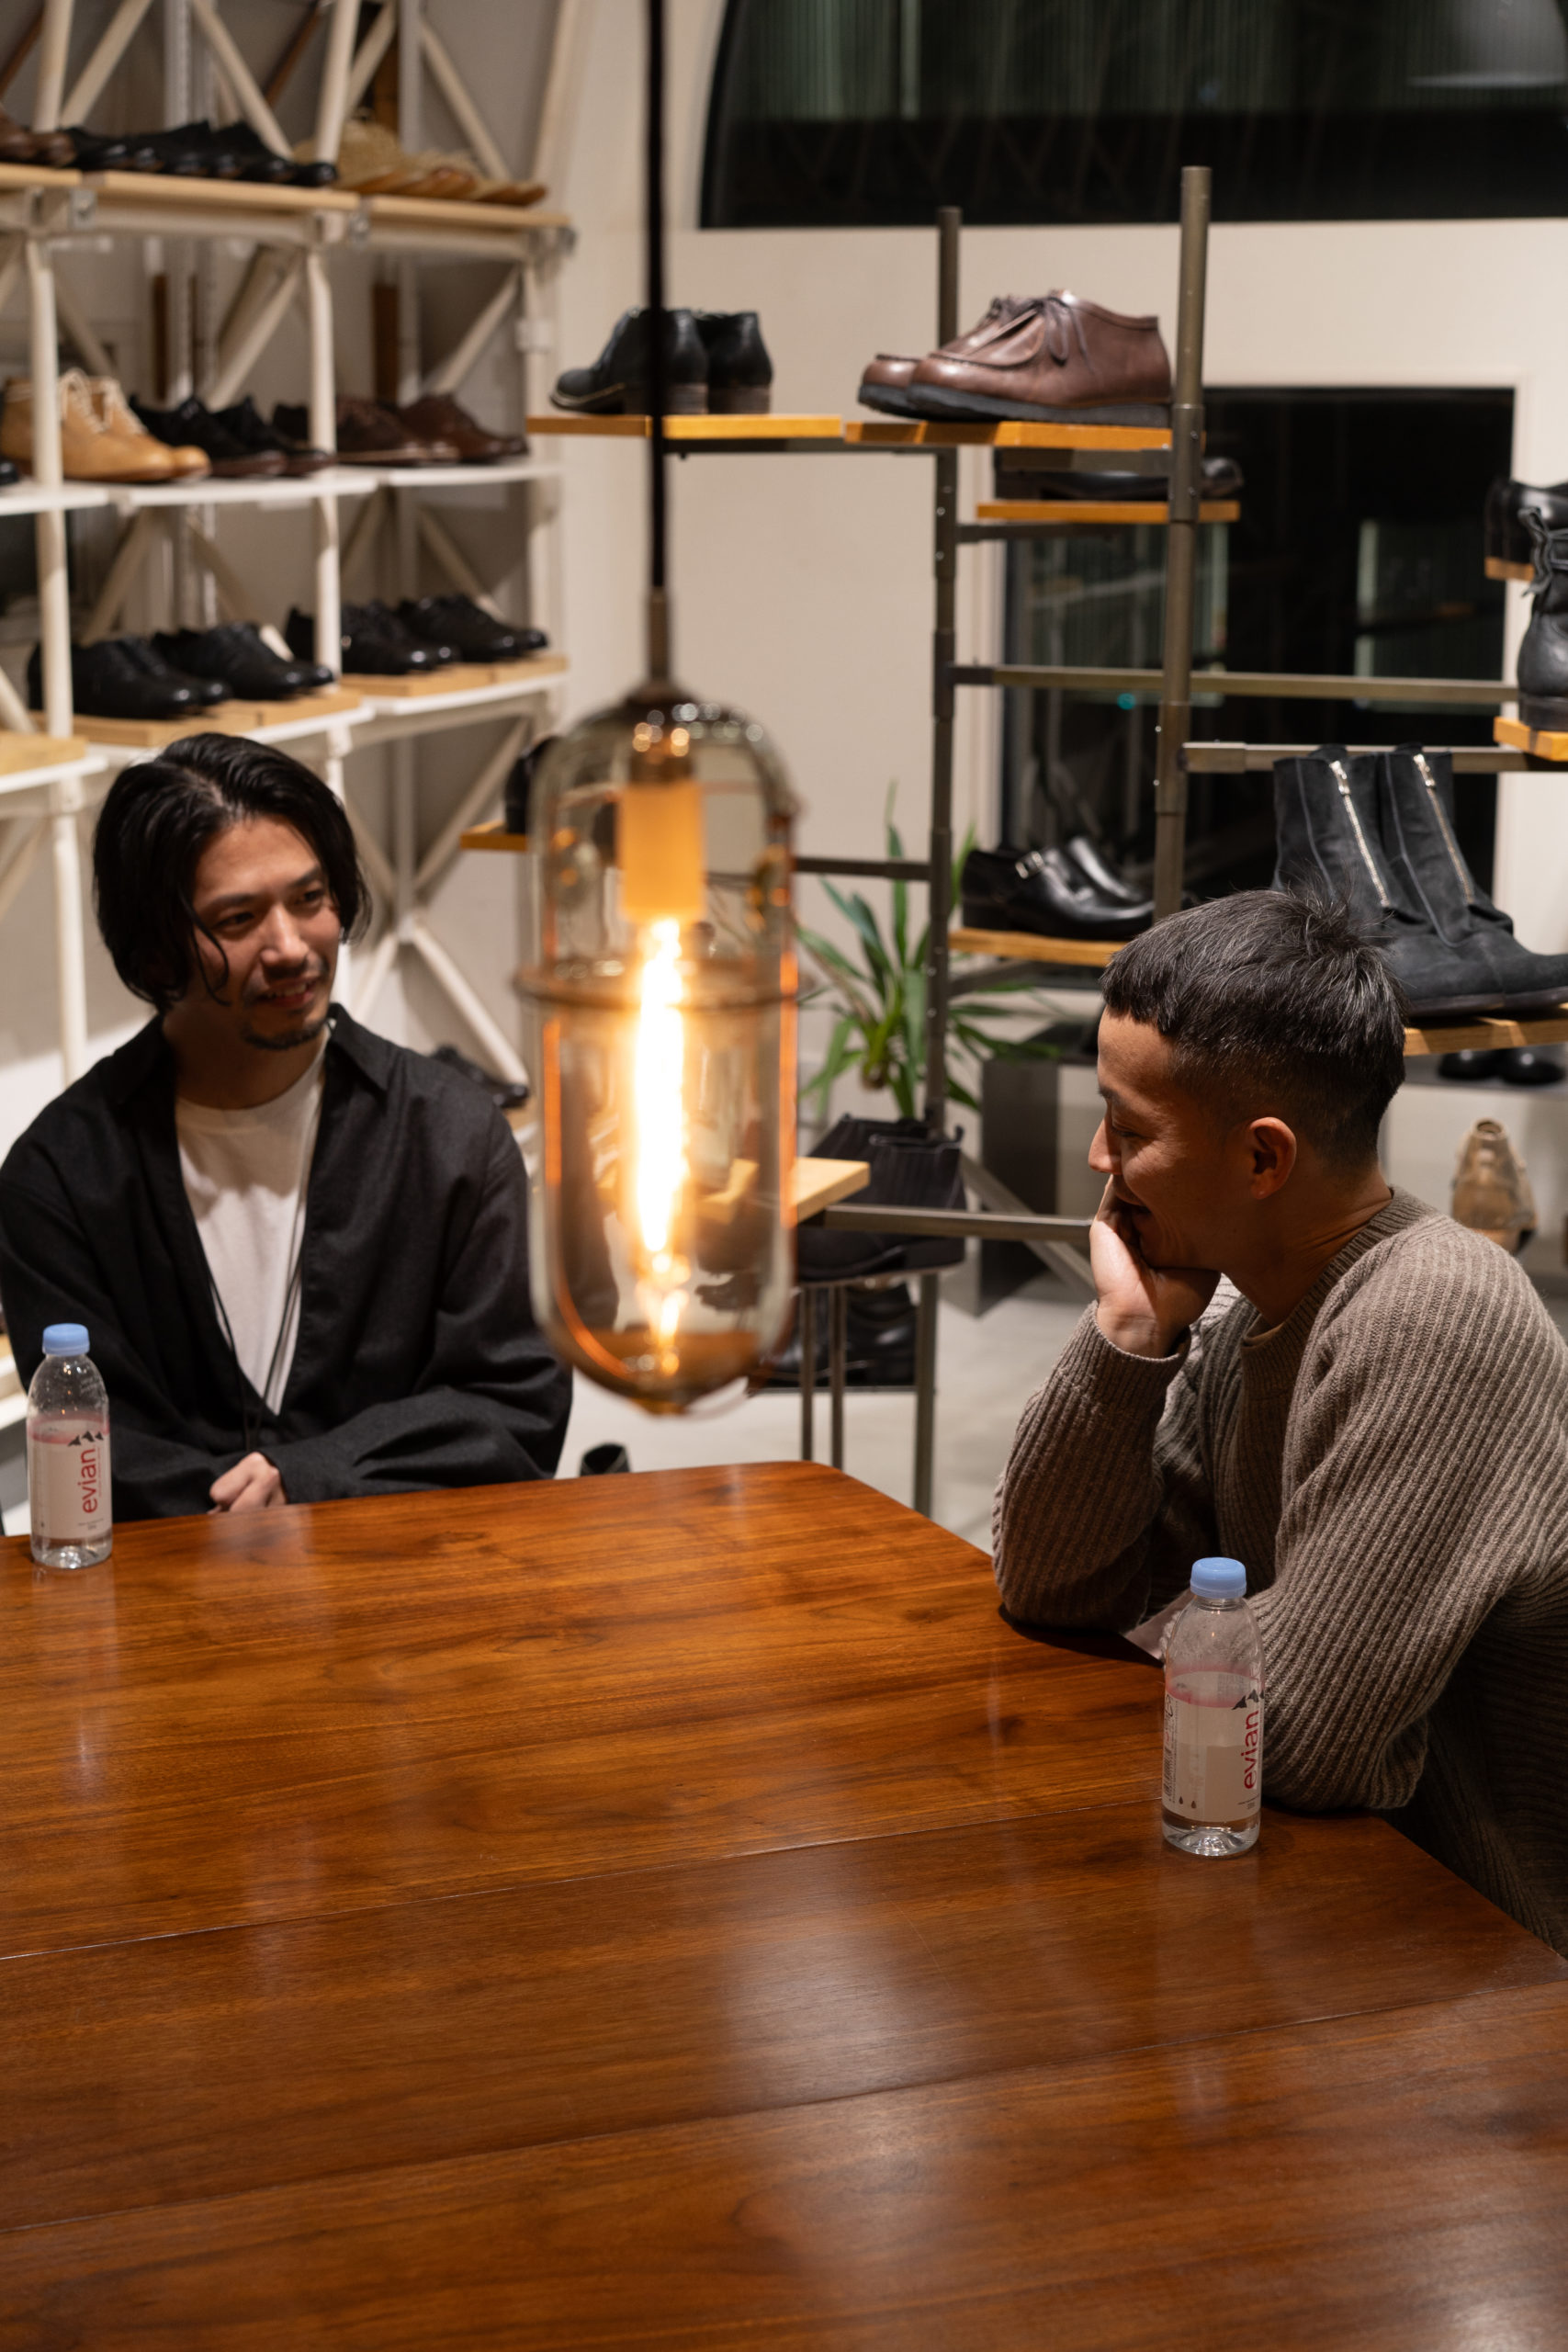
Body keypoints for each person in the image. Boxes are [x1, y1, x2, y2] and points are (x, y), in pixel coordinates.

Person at [993, 890, 1568, 1955]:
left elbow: (1296, 1735)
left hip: (1480, 1965)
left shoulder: (1435, 1314)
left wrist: (1189, 1638)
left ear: (1263, 1159)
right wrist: (1129, 1335)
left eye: (1129, 1129)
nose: (1099, 1161)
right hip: (1323, 1914)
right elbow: (1057, 1586)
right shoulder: (1244, 1305)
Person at [0, 733, 570, 1519]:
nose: (292, 948)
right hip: (167, 1588)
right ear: (157, 951)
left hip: (409, 1576)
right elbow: (89, 1446)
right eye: (238, 918)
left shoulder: (449, 1138)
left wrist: (308, 1477)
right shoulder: (61, 1178)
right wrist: (235, 1511)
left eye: (309, 899)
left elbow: (514, 1408)